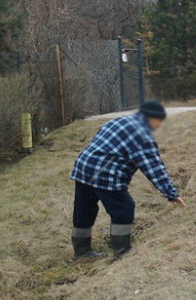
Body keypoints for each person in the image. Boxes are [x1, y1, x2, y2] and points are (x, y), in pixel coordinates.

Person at [70, 101, 185, 260]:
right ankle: (122, 251)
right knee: (124, 208)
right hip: (105, 174)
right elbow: (153, 168)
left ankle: (81, 252)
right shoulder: (142, 136)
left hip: (83, 168)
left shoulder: (118, 121)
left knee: (84, 209)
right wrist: (171, 194)